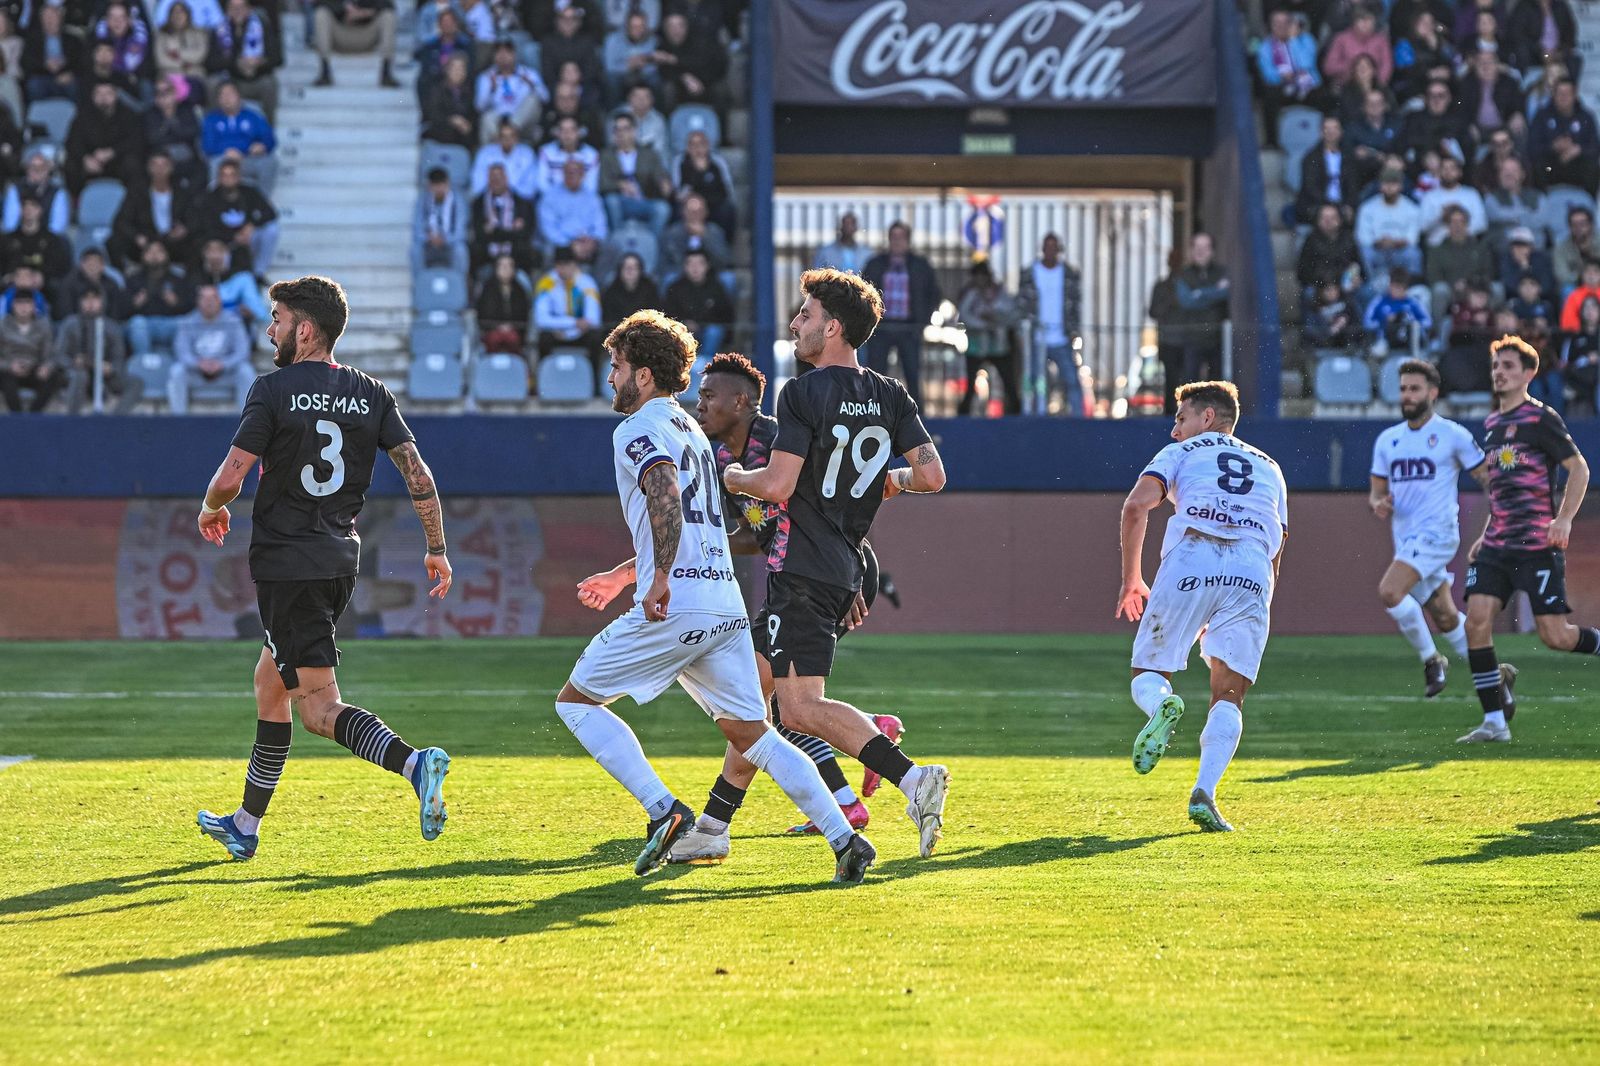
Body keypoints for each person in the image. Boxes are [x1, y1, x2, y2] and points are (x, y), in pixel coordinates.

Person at [558, 309, 878, 882]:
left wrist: (654, 581)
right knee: (754, 734)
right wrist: (627, 572)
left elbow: (662, 491)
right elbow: (694, 526)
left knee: (575, 702)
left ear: (646, 376)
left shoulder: (637, 430)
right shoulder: (692, 433)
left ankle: (665, 813)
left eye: (618, 366)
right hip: (723, 603)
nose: (611, 378)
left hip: (676, 603)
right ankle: (845, 838)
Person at [667, 269, 950, 864]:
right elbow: (930, 476)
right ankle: (715, 825)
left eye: (805, 314)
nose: (796, 324)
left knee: (797, 708)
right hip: (841, 564)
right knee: (759, 696)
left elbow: (776, 485)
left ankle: (910, 778)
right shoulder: (892, 393)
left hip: (801, 569)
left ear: (834, 327)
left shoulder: (803, 392)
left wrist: (732, 476)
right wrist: (879, 483)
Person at [194, 275, 453, 860]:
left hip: (289, 567)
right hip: (337, 560)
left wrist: (210, 508)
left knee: (316, 709)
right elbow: (420, 477)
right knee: (270, 684)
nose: (271, 330)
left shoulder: (273, 389)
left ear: (304, 329)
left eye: (278, 319)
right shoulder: (372, 393)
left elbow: (232, 476)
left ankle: (415, 764)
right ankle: (245, 824)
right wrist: (435, 546)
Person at [676, 351, 896, 847]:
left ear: (743, 402)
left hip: (835, 570)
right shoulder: (718, 457)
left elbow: (838, 506)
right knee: (763, 706)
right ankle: (856, 753)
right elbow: (755, 529)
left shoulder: (782, 437)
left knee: (754, 704)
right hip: (803, 577)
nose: (699, 406)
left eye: (709, 396)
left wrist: (853, 578)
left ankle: (718, 825)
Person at [1115, 381, 1288, 832]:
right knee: (1229, 694)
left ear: (1207, 418)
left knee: (1149, 675)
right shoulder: (1270, 467)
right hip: (1253, 568)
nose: (1174, 431)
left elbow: (1137, 507)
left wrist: (1132, 579)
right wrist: (1258, 592)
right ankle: (1204, 794)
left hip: (1193, 554)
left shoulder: (1181, 454)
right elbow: (1280, 542)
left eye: (1180, 418)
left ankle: (1161, 708)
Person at [1457, 335, 1594, 742]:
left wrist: (1564, 519)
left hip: (1537, 547)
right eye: (1496, 366)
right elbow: (1501, 490)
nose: (1499, 373)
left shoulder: (1541, 419)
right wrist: (1484, 534)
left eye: (1509, 366)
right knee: (1476, 623)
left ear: (1529, 374)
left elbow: (1580, 469)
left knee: (1557, 636)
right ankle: (1495, 723)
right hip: (1498, 546)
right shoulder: (1492, 424)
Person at [1369, 360, 1494, 696]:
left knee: (1390, 591)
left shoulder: (1453, 435)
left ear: (1433, 393)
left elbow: (1486, 478)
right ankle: (1496, 676)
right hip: (1405, 538)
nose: (1407, 396)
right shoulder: (1387, 440)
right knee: (1444, 614)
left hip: (1437, 534)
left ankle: (1432, 660)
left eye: (1415, 389)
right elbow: (1377, 491)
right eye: (1404, 389)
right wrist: (1378, 502)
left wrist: (1497, 518)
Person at [861, 221, 939, 407]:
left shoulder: (920, 265)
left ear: (908, 240)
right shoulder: (876, 263)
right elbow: (863, 291)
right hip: (881, 327)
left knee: (912, 375)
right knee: (876, 376)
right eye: (894, 237)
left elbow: (933, 294)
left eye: (901, 237)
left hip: (909, 327)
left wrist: (923, 321)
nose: (897, 242)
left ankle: (916, 417)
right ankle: (874, 411)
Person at [1017, 231, 1084, 416]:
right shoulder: (1030, 273)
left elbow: (1075, 304)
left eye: (1054, 248)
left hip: (1061, 336)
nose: (1051, 251)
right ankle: (1035, 415)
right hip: (1036, 337)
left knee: (1071, 380)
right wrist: (1023, 332)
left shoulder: (1069, 274)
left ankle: (1079, 418)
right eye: (1048, 247)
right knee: (1036, 381)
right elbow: (1022, 304)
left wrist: (1073, 330)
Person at [55, 284, 143, 414]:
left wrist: (111, 367)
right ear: (80, 302)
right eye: (86, 299)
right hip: (74, 373)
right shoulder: (70, 324)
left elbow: (119, 358)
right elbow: (58, 355)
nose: (90, 303)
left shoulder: (111, 327)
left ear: (102, 302)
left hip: (104, 374)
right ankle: (72, 419)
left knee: (136, 383)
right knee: (80, 376)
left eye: (95, 299)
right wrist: (73, 362)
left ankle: (116, 419)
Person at [168, 282, 252, 412]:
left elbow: (242, 352)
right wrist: (198, 364)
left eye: (213, 298)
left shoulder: (233, 322)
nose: (209, 302)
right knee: (177, 371)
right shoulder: (187, 322)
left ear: (219, 301)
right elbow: (182, 352)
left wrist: (223, 364)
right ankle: (178, 420)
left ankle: (248, 424)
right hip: (196, 373)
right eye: (204, 298)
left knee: (245, 371)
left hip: (226, 373)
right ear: (198, 301)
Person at [190, 157, 279, 275]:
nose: (228, 179)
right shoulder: (209, 197)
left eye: (232, 175)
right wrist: (233, 237)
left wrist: (252, 225)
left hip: (247, 236)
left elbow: (270, 213)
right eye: (224, 175)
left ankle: (259, 272)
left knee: (272, 229)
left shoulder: (249, 191)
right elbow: (207, 226)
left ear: (238, 177)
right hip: (222, 240)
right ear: (219, 177)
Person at [957, 259, 1021, 416]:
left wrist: (995, 317)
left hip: (999, 346)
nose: (980, 280)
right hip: (976, 347)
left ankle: (1014, 415)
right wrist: (983, 323)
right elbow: (964, 315)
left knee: (1009, 384)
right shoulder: (970, 294)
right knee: (970, 386)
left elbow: (1012, 314)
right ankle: (963, 416)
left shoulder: (1000, 293)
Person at [63, 80, 145, 196]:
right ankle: (75, 207)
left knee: (133, 164)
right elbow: (72, 141)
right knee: (70, 166)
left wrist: (112, 152)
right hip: (91, 161)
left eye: (108, 93)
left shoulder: (128, 115)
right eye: (99, 94)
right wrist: (85, 158)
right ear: (93, 96)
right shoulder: (83, 115)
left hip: (117, 161)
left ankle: (132, 204)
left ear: (116, 95)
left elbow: (135, 141)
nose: (103, 98)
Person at [207, 0, 282, 123]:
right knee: (212, 83)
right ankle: (215, 127)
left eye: (241, 7)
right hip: (229, 79)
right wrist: (236, 63)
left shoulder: (262, 27)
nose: (237, 11)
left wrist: (258, 63)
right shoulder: (218, 29)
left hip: (254, 79)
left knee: (269, 84)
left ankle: (268, 129)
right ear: (227, 10)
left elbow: (276, 58)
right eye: (233, 7)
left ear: (249, 9)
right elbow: (210, 62)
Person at [1171, 232, 1230, 387]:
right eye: (1196, 246)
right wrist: (1213, 292)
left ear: (1212, 251)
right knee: (1190, 386)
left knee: (1217, 387)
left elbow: (1225, 293)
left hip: (1217, 338)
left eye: (1205, 247)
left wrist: (1200, 294)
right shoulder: (1184, 275)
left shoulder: (1222, 272)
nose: (1200, 251)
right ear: (1190, 250)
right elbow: (1187, 302)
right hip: (1192, 339)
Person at [599, 111, 671, 237]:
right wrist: (620, 185)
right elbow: (602, 183)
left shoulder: (649, 154)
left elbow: (659, 174)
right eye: (617, 130)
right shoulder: (606, 155)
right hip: (620, 201)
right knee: (611, 201)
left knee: (662, 209)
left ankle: (651, 244)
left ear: (634, 131)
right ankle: (617, 241)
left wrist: (664, 183)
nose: (621, 133)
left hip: (643, 200)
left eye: (625, 129)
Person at [1256, 10, 1322, 146]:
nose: (1281, 26)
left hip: (1307, 85)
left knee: (1327, 98)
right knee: (1269, 98)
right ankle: (1273, 142)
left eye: (1285, 22)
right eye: (1276, 23)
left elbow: (1306, 64)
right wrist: (1282, 76)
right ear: (1271, 26)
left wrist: (1293, 40)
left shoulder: (1306, 40)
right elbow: (1268, 74)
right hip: (1282, 86)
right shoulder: (1266, 46)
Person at [533, 244, 602, 367]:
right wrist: (572, 323)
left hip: (579, 334)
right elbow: (541, 319)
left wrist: (572, 330)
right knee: (544, 338)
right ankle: (542, 380)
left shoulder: (587, 283)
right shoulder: (547, 283)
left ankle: (595, 382)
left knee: (595, 337)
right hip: (556, 333)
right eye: (559, 265)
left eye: (566, 265)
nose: (562, 269)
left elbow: (593, 319)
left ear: (574, 265)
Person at [126, 239, 197, 354]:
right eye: (150, 252)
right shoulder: (133, 279)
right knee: (137, 323)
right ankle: (143, 363)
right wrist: (135, 304)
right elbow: (121, 310)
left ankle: (181, 364)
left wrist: (176, 303)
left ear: (166, 255)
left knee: (183, 323)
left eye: (159, 252)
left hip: (170, 323)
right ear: (143, 256)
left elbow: (190, 306)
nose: (154, 255)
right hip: (145, 322)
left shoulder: (178, 279)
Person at [661, 247, 731, 359]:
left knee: (714, 332)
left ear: (707, 266)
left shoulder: (716, 287)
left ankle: (705, 365)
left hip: (707, 331)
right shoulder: (675, 288)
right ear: (685, 266)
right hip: (682, 331)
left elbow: (725, 315)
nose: (695, 268)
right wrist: (684, 323)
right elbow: (667, 314)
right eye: (691, 264)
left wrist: (701, 323)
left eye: (699, 263)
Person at [0, 288, 63, 411]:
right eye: (19, 303)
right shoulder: (3, 325)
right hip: (9, 369)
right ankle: (16, 416)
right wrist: (9, 365)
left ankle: (34, 414)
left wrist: (46, 367)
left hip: (34, 368)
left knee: (54, 376)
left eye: (27, 303)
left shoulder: (43, 325)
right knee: (5, 377)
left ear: (34, 306)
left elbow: (50, 353)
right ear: (13, 305)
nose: (23, 307)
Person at [312, 0, 399, 87]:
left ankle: (386, 73)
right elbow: (319, 3)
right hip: (340, 35)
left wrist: (365, 12)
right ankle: (324, 72)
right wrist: (344, 9)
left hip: (367, 35)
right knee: (321, 14)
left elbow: (388, 4)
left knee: (388, 15)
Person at [469, 161, 535, 276]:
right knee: (475, 250)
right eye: (493, 178)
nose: (496, 181)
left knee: (526, 250)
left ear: (506, 178)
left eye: (499, 177)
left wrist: (494, 231)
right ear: (488, 180)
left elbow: (526, 232)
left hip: (515, 253)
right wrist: (510, 231)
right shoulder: (478, 203)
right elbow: (479, 233)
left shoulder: (522, 203)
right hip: (487, 254)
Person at [475, 38, 547, 143]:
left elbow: (545, 98)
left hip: (523, 123)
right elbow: (479, 107)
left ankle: (511, 131)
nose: (503, 56)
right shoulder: (486, 77)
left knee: (533, 99)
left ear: (514, 54)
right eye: (499, 52)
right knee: (486, 118)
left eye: (507, 52)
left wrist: (532, 85)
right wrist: (491, 89)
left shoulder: (529, 73)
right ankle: (496, 150)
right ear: (494, 56)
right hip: (498, 122)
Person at [1357, 166, 1423, 278]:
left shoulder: (1411, 208)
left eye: (1393, 183)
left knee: (1413, 254)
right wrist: (1379, 242)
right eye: (1386, 183)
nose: (1389, 187)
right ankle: (1372, 284)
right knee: (1365, 253)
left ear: (1400, 186)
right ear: (1380, 185)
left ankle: (1411, 285)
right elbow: (1363, 237)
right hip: (1377, 250)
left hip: (1400, 251)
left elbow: (1412, 238)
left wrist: (1395, 242)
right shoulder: (1368, 207)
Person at [537, 157, 607, 263]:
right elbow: (548, 229)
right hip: (562, 243)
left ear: (583, 175)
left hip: (588, 241)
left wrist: (593, 241)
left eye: (576, 172)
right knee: (549, 250)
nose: (572, 175)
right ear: (563, 174)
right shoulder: (550, 196)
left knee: (612, 248)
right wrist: (570, 243)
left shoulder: (592, 197)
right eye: (569, 172)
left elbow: (600, 224)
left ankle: (596, 280)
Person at [411, 166, 468, 273]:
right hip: (429, 244)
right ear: (429, 186)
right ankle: (419, 285)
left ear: (448, 184)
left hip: (450, 244)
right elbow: (417, 228)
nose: (439, 190)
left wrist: (445, 239)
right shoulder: (422, 201)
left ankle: (459, 284)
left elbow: (460, 232)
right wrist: (429, 238)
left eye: (442, 185)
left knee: (460, 250)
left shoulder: (458, 201)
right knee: (415, 250)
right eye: (435, 186)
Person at [475, 253, 530, 353]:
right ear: (496, 268)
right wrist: (498, 327)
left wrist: (510, 326)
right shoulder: (487, 289)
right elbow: (483, 313)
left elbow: (524, 314)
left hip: (514, 330)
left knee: (512, 338)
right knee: (495, 339)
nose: (506, 269)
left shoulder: (520, 290)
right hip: (492, 330)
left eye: (509, 266)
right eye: (502, 266)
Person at [601, 251, 660, 329]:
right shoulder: (610, 293)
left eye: (634, 267)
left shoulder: (650, 291)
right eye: (626, 267)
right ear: (620, 270)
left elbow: (656, 319)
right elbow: (608, 322)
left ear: (640, 270)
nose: (630, 270)